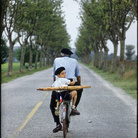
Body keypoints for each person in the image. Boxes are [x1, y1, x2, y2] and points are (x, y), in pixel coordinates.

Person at [50, 48, 83, 133]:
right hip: (70, 82)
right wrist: (79, 84)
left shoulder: (56, 60)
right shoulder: (74, 61)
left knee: (52, 105)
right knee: (80, 89)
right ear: (70, 55)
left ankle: (57, 124)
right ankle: (74, 108)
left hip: (59, 84)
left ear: (61, 55)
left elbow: (54, 75)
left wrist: (55, 84)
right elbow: (78, 75)